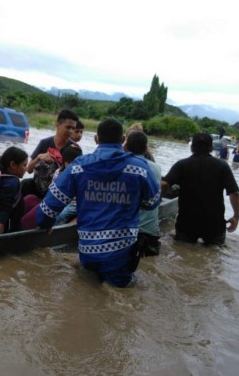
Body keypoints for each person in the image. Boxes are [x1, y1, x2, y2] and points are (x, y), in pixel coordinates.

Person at [37, 119, 161, 288]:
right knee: (121, 295)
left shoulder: (78, 167)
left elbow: (48, 208)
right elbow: (153, 203)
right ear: (123, 139)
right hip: (121, 254)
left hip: (87, 251)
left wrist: (45, 224)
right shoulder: (140, 168)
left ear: (96, 139)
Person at [161, 133, 239, 246]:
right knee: (214, 255)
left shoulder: (182, 165)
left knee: (183, 252)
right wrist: (236, 216)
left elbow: (163, 184)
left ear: (192, 147)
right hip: (214, 224)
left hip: (187, 222)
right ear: (211, 148)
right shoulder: (222, 166)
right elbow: (235, 193)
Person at [22, 109, 79, 198]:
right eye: (68, 127)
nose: (71, 131)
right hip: (38, 186)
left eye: (73, 128)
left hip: (59, 191)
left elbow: (77, 178)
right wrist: (38, 157)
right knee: (24, 184)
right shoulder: (44, 143)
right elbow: (29, 170)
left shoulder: (74, 149)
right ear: (57, 125)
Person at [124, 130, 162, 256]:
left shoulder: (120, 165)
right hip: (149, 234)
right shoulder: (156, 168)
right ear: (146, 149)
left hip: (123, 233)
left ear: (125, 147)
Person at [0, 146, 29, 235]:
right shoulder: (13, 182)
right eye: (24, 165)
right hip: (10, 230)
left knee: (32, 198)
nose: (26, 169)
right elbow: (4, 212)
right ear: (13, 165)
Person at [53, 143, 83, 225]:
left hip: (74, 204)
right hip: (60, 201)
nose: (71, 165)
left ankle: (54, 234)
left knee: (61, 215)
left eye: (74, 162)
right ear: (64, 161)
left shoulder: (81, 175)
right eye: (69, 162)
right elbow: (52, 190)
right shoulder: (58, 173)